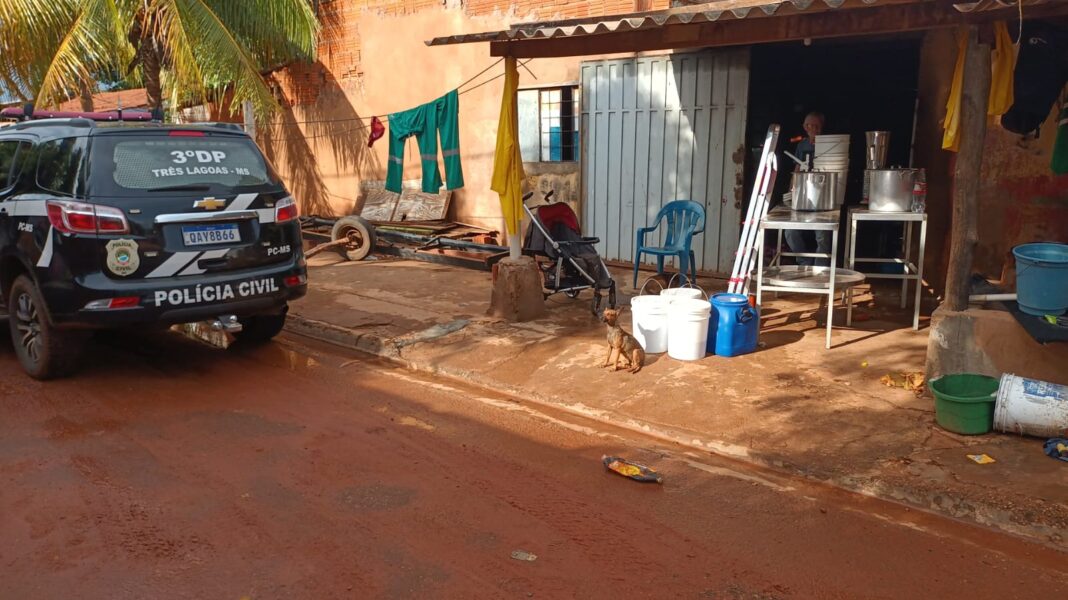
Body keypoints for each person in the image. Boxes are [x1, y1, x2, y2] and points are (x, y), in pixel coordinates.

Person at [785, 111, 832, 267]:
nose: (812, 129)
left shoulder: (828, 143)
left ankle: (820, 268)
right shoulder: (802, 145)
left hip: (823, 196)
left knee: (822, 235)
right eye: (809, 125)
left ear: (821, 126)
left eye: (816, 125)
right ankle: (804, 262)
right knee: (790, 232)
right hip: (803, 195)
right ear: (805, 127)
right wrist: (791, 190)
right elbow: (797, 168)